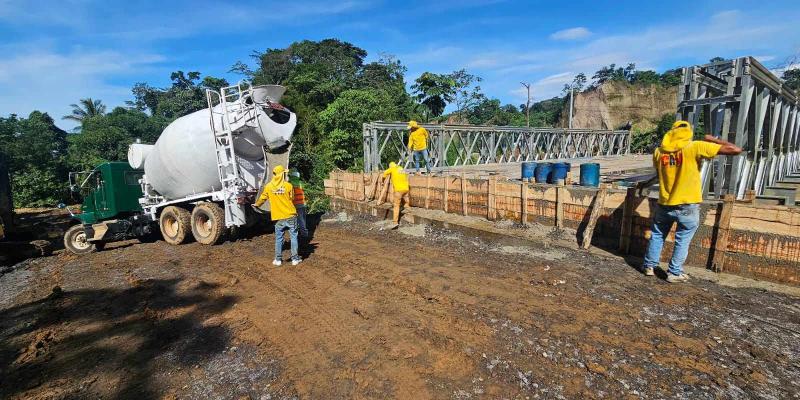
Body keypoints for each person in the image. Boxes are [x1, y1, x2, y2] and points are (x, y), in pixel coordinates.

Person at [640, 120, 742, 282]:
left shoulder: (659, 152)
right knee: (683, 239)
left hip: (665, 202)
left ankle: (649, 266)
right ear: (688, 133)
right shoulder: (694, 146)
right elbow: (735, 149)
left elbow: (659, 174)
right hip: (687, 203)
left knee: (658, 235)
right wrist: (713, 139)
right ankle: (674, 272)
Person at [254, 165, 301, 266]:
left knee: (279, 238)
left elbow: (263, 198)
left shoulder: (269, 186)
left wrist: (256, 204)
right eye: (284, 173)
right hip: (290, 215)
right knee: (293, 237)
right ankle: (295, 259)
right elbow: (292, 198)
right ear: (282, 174)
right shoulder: (288, 186)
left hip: (278, 218)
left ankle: (278, 260)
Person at [383, 162, 410, 227]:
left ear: (390, 166)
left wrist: (382, 180)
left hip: (398, 190)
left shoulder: (392, 168)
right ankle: (408, 210)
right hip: (406, 189)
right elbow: (406, 176)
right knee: (405, 201)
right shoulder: (401, 168)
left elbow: (384, 173)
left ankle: (395, 222)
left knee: (396, 205)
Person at [288, 170, 309, 238]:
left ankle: (298, 233)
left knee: (296, 219)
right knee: (302, 219)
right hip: (302, 203)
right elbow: (305, 192)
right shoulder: (300, 183)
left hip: (294, 204)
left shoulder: (289, 184)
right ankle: (304, 232)